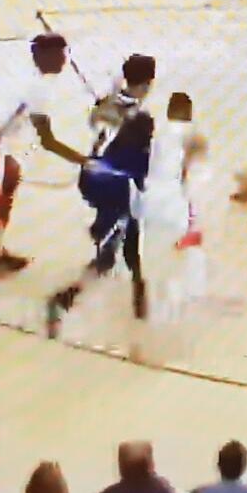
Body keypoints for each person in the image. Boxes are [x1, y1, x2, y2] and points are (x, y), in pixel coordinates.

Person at [0, 32, 87, 282]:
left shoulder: (22, 75)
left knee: (2, 199)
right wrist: (84, 161)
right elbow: (48, 140)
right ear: (44, 56)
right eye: (60, 54)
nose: (64, 60)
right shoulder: (39, 90)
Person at [47, 55, 159, 333]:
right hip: (114, 184)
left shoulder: (108, 105)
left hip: (91, 178)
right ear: (147, 84)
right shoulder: (140, 119)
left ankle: (137, 289)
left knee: (127, 236)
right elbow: (140, 165)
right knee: (118, 244)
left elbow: (97, 122)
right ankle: (65, 298)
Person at [140, 91, 211, 322]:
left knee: (156, 265)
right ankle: (178, 312)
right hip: (175, 206)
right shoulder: (195, 139)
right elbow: (197, 182)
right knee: (183, 265)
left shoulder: (153, 136)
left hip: (149, 205)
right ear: (190, 114)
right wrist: (196, 222)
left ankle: (152, 311)